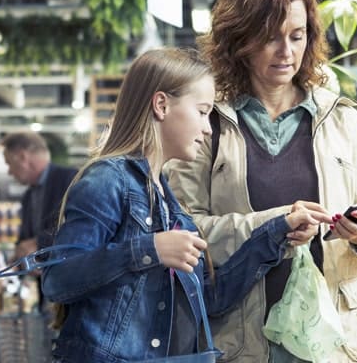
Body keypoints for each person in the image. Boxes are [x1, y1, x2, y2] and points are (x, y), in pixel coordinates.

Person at [41, 48, 333, 362]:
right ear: (162, 105)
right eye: (203, 111)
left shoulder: (170, 204)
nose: (208, 128)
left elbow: (210, 298)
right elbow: (58, 279)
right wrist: (148, 249)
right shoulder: (107, 180)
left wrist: (278, 231)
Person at [166, 0, 357, 362]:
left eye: (297, 36)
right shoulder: (206, 123)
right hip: (244, 342)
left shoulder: (340, 120)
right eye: (270, 37)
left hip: (338, 344)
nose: (286, 52)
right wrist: (274, 226)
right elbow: (184, 234)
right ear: (239, 40)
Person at [2, 132, 78, 260]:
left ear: (22, 157)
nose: (9, 172)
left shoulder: (71, 180)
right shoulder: (28, 195)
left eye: (9, 163)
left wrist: (38, 243)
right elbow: (26, 239)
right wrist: (19, 256)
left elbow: (81, 228)